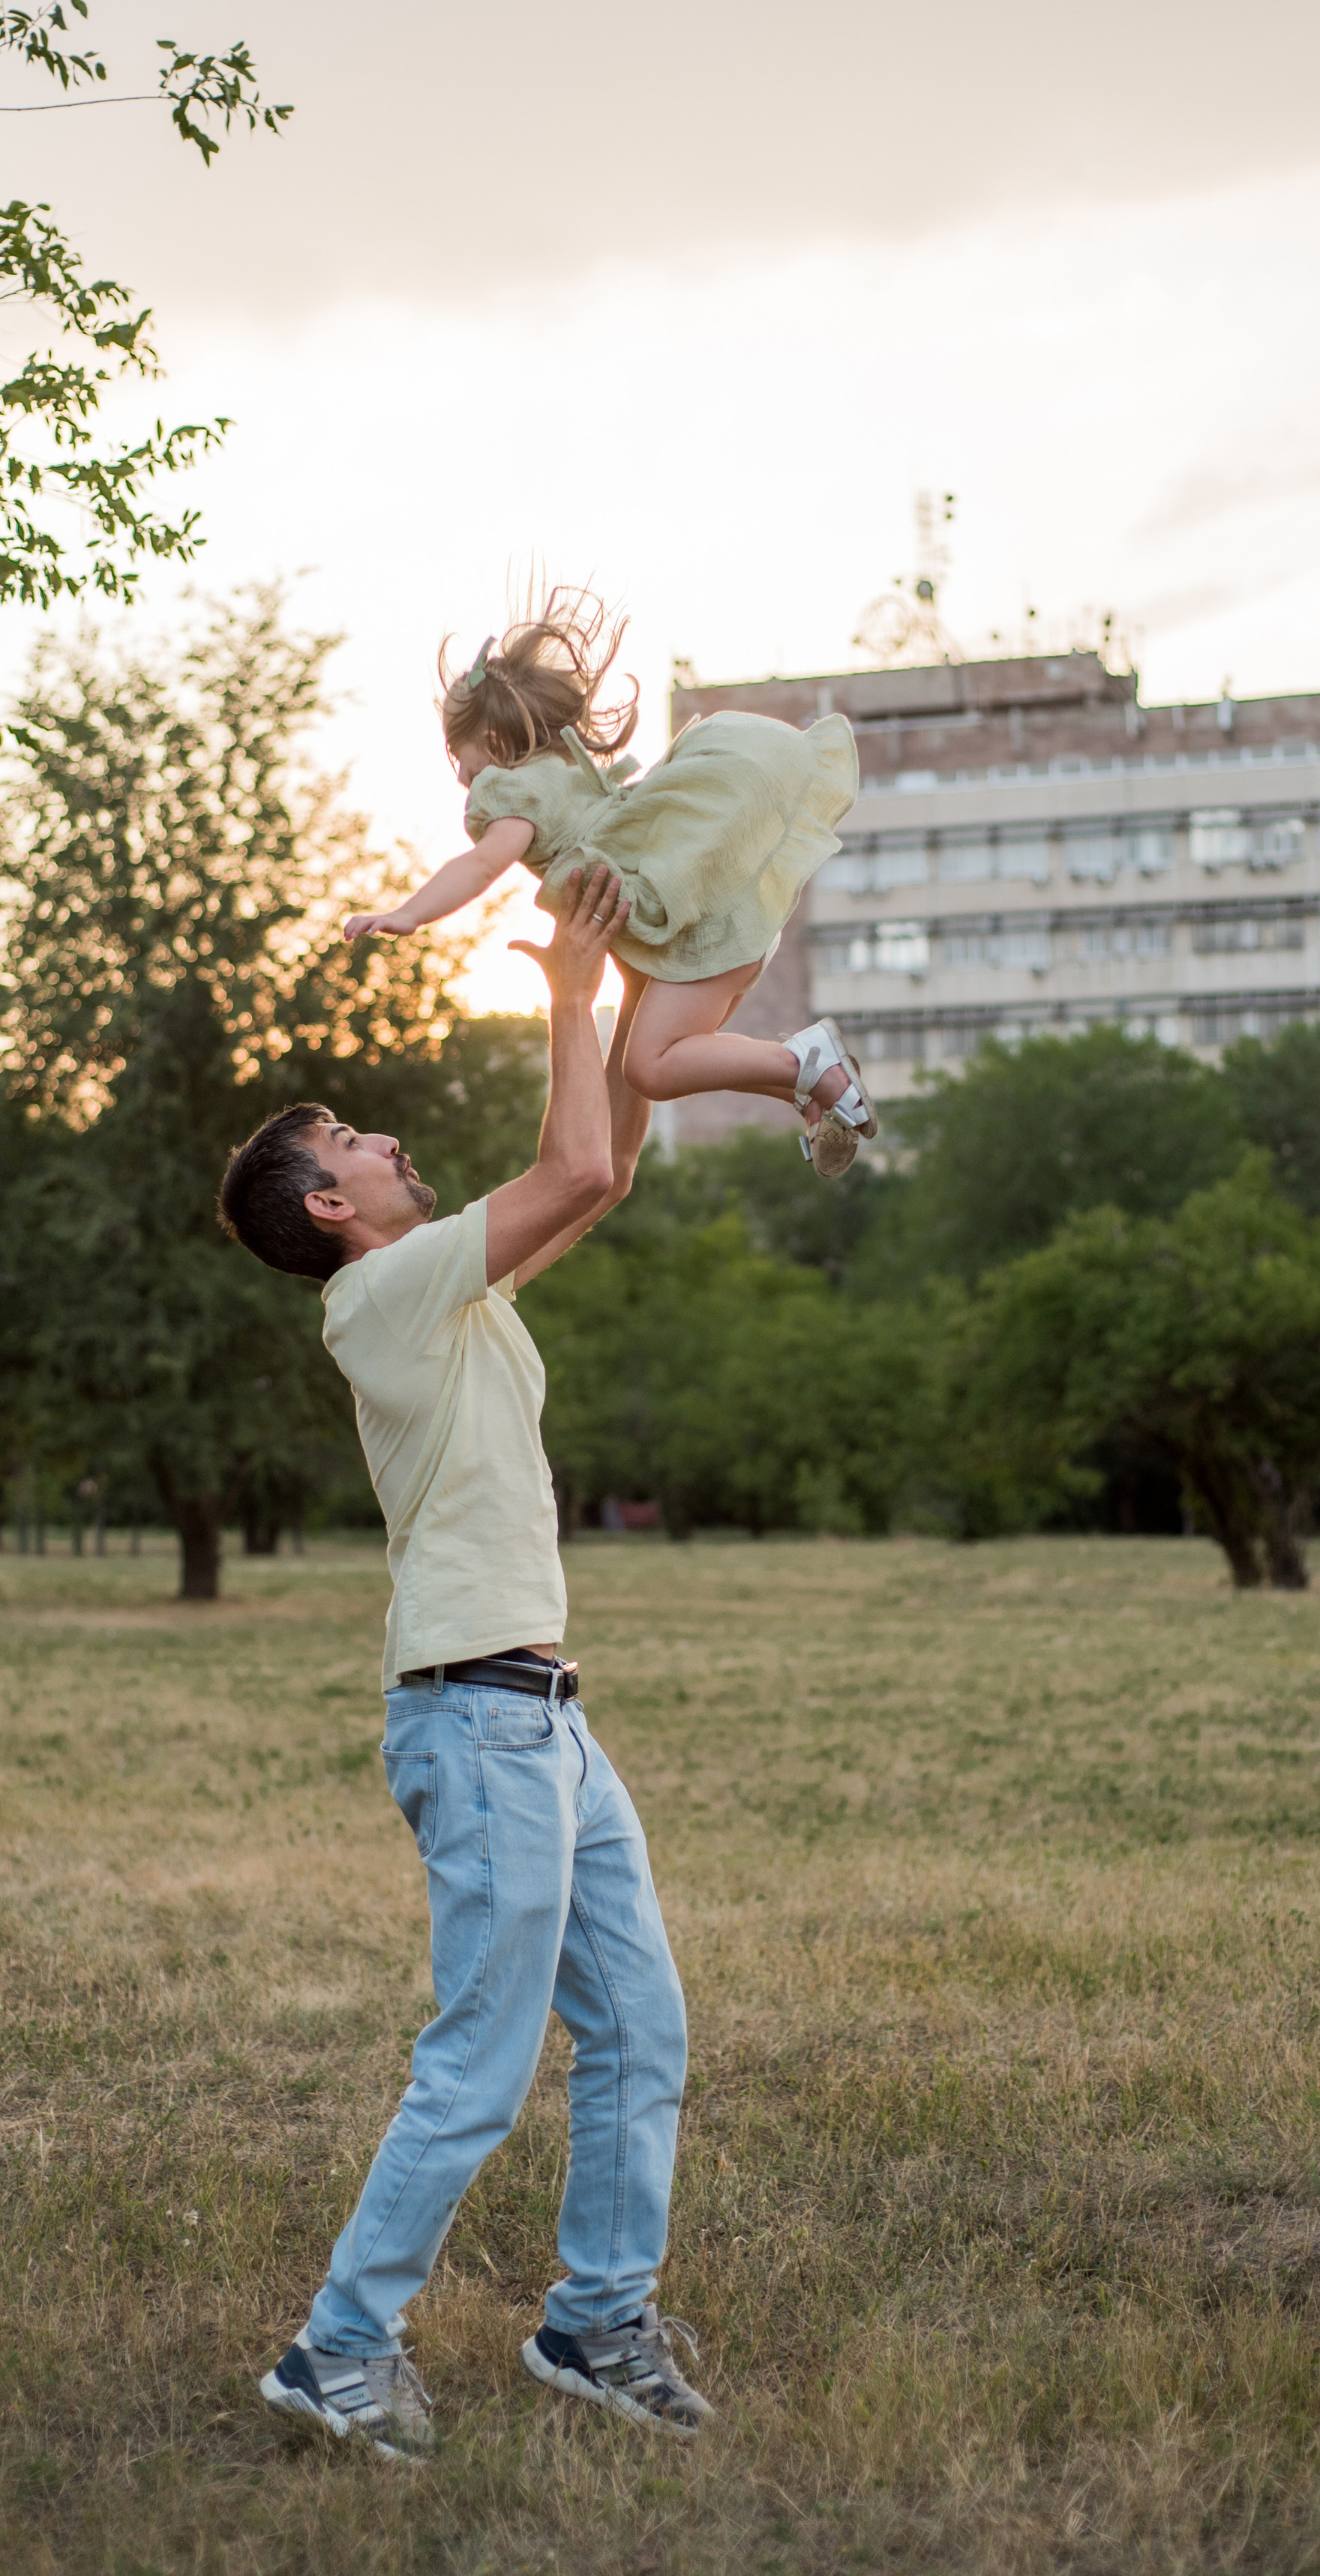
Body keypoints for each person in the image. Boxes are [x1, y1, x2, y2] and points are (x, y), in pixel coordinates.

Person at [215, 859, 712, 2464]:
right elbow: (570, 1155)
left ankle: (593, 2321)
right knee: (481, 2064)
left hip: (546, 1723)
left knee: (639, 2027)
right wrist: (564, 990)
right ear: (327, 1208)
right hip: (475, 1723)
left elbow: (605, 1168)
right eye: (353, 1141)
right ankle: (336, 2350)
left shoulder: (453, 1293)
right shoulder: (381, 1297)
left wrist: (641, 976)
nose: (386, 1140)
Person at [341, 588, 879, 1177]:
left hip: (688, 932)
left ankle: (804, 1063)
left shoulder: (506, 789)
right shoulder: (565, 770)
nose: (462, 775)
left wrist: (410, 913)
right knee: (666, 1059)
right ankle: (810, 1093)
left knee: (648, 1067)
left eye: (458, 755)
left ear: (492, 745)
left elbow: (481, 865)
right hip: (712, 917)